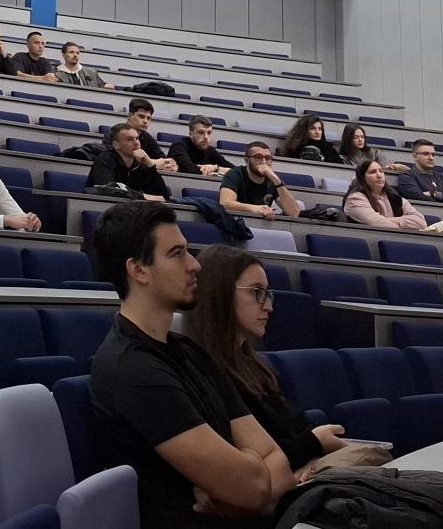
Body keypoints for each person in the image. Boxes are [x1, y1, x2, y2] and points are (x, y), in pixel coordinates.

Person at [87, 200, 295, 529]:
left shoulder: (188, 351)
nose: (195, 265)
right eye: (177, 254)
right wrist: (251, 475)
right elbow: (255, 486)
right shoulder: (133, 371)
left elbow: (278, 466)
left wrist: (245, 485)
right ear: (138, 270)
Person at [184, 246, 356, 475]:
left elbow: (297, 427)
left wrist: (312, 451)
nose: (268, 306)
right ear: (220, 294)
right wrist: (314, 443)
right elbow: (246, 462)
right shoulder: (204, 374)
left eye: (267, 293)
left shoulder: (256, 368)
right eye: (256, 292)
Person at [218, 141, 300, 220]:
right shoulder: (235, 174)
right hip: (235, 222)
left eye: (268, 158)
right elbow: (225, 203)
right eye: (258, 157)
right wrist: (255, 209)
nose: (264, 162)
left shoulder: (272, 179)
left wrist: (277, 180)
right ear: (247, 161)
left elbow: (294, 213)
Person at [88, 123, 170, 201]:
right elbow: (106, 190)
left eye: (137, 138)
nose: (136, 143)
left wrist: (150, 164)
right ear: (116, 145)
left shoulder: (140, 164)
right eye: (130, 139)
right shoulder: (105, 159)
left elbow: (164, 197)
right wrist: (142, 196)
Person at [342, 160, 428, 231]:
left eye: (381, 171)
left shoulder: (394, 197)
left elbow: (421, 222)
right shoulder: (355, 199)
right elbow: (386, 227)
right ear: (362, 178)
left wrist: (386, 220)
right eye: (372, 172)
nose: (379, 175)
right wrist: (404, 223)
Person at [396, 139, 443, 203]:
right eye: (426, 154)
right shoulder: (407, 177)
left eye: (433, 154)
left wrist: (433, 194)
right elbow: (416, 197)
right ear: (415, 156)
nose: (431, 158)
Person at [104, 98, 168, 163]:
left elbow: (164, 159)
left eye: (148, 118)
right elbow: (112, 159)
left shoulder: (146, 137)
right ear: (129, 116)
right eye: (141, 116)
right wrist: (150, 162)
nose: (145, 121)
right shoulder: (113, 132)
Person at [277, 113, 341, 163]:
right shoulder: (294, 149)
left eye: (320, 129)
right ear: (304, 131)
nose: (317, 132)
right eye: (313, 128)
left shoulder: (330, 151)